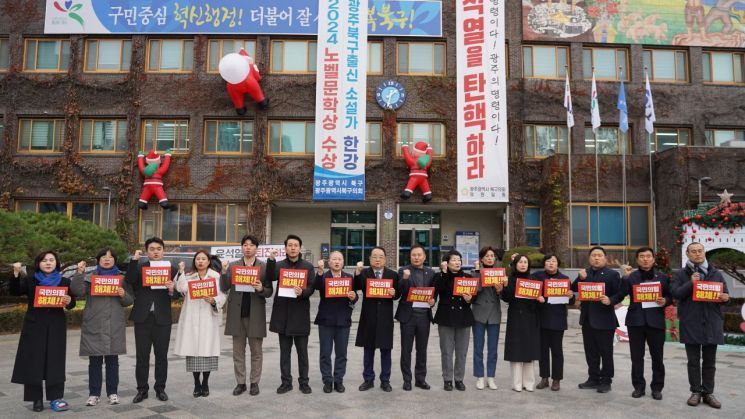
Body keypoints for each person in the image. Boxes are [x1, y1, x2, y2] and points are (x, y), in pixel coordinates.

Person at [10, 252, 76, 412]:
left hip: (56, 326)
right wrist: (16, 273)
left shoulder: (64, 281)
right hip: (34, 326)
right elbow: (15, 291)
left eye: (51, 260)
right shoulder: (31, 280)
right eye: (44, 260)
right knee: (34, 362)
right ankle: (36, 399)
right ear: (38, 263)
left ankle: (55, 397)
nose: (48, 263)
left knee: (55, 361)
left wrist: (69, 301)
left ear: (57, 263)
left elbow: (72, 302)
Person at [70, 248, 134, 407]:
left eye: (111, 257)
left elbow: (129, 301)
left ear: (115, 261)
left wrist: (122, 294)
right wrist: (79, 273)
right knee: (94, 361)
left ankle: (113, 393)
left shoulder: (121, 279)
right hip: (94, 324)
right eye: (104, 257)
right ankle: (94, 394)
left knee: (113, 360)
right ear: (98, 260)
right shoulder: (91, 278)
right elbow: (77, 291)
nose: (107, 259)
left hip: (114, 324)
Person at [671, 242, 730, 409]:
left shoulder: (716, 273)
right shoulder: (681, 274)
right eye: (693, 252)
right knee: (693, 361)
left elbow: (726, 294)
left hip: (712, 322)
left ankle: (708, 393)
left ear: (704, 252)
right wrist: (691, 283)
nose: (697, 254)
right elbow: (676, 294)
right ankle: (696, 391)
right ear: (688, 255)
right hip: (691, 322)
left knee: (710, 362)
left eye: (700, 251)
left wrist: (726, 298)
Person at [125, 237, 178, 403]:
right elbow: (129, 280)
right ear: (147, 251)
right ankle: (142, 389)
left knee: (161, 356)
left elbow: (178, 294)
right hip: (143, 317)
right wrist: (134, 259)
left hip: (162, 318)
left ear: (163, 251)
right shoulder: (140, 267)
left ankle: (160, 388)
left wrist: (172, 290)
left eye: (159, 248)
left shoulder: (172, 268)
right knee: (142, 356)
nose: (155, 251)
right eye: (152, 249)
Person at [220, 234, 273, 396]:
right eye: (245, 245)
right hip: (237, 314)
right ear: (241, 247)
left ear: (256, 248)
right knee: (238, 351)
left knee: (256, 351)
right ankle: (241, 382)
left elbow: (270, 291)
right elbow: (224, 287)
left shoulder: (263, 267)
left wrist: (260, 289)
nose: (248, 247)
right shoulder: (233, 266)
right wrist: (223, 272)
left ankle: (254, 382)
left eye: (251, 245)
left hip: (255, 314)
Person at [173, 250, 226, 397]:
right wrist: (181, 272)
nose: (200, 261)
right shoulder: (189, 276)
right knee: (194, 352)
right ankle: (196, 384)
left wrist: (214, 301)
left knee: (207, 351)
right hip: (192, 317)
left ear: (208, 261)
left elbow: (222, 295)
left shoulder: (216, 277)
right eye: (198, 259)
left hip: (208, 317)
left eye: (203, 259)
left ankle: (206, 383)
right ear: (194, 261)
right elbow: (181, 288)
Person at [571, 246, 624, 394]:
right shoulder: (585, 273)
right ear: (589, 258)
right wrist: (580, 278)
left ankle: (606, 380)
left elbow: (619, 294)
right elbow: (573, 288)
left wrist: (610, 300)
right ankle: (593, 378)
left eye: (600, 255)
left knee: (606, 352)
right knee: (590, 351)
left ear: (605, 258)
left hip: (605, 320)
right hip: (587, 319)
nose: (596, 258)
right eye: (594, 255)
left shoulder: (612, 274)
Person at [622, 247, 671, 400]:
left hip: (655, 322)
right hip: (635, 322)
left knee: (657, 357)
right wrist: (624, 278)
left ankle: (657, 388)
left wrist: (665, 301)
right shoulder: (631, 277)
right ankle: (638, 387)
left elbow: (670, 296)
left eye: (648, 256)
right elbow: (620, 293)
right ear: (637, 260)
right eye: (641, 256)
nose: (645, 259)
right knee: (636, 357)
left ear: (653, 259)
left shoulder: (662, 277)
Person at [268, 234, 316, 394]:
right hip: (283, 314)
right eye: (290, 245)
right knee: (285, 352)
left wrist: (302, 292)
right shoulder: (279, 265)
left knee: (302, 352)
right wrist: (271, 261)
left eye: (296, 245)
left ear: (300, 248)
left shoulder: (308, 266)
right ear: (285, 248)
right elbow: (270, 277)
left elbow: (311, 288)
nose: (293, 248)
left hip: (300, 314)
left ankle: (304, 382)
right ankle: (286, 382)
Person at [353, 246, 399, 392]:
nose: (377, 259)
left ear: (385, 259)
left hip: (385, 318)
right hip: (369, 317)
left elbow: (397, 295)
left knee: (386, 350)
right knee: (368, 350)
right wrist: (357, 273)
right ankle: (368, 379)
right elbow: (356, 286)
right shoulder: (364, 273)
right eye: (374, 257)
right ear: (369, 259)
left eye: (380, 257)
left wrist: (394, 292)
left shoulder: (392, 274)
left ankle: (385, 380)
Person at [313, 251, 358, 393]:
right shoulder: (324, 276)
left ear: (343, 262)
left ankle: (338, 380)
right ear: (329, 262)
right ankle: (327, 380)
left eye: (339, 259)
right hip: (326, 320)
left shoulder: (349, 278)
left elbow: (354, 297)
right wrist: (319, 272)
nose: (337, 261)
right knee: (325, 353)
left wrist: (353, 297)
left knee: (341, 353)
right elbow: (317, 287)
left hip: (343, 320)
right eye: (334, 259)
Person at [396, 244, 436, 391]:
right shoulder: (403, 271)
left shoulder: (431, 273)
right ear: (410, 256)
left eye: (419, 255)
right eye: (414, 255)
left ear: (424, 257)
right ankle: (407, 380)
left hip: (424, 316)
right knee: (406, 350)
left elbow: (434, 293)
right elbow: (398, 292)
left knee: (422, 349)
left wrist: (433, 302)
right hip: (408, 316)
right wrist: (405, 279)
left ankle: (420, 379)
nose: (417, 257)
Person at [433, 250, 474, 391]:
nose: (457, 262)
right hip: (446, 317)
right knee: (447, 351)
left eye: (459, 260)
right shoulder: (440, 277)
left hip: (464, 318)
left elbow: (473, 296)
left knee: (461, 352)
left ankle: (459, 379)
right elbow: (440, 290)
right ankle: (447, 379)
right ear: (446, 262)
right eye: (454, 259)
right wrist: (444, 273)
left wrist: (469, 300)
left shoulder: (467, 277)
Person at [533, 254, 574, 391]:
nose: (551, 263)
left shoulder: (564, 279)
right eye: (548, 261)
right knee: (542, 350)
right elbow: (531, 293)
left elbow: (571, 301)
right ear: (544, 263)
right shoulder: (538, 276)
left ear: (558, 264)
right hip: (542, 317)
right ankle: (544, 378)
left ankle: (556, 379)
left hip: (558, 319)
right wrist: (538, 298)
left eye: (554, 261)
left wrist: (571, 296)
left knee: (557, 350)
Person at [502, 254, 541, 392]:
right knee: (516, 349)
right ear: (515, 264)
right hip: (516, 317)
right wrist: (505, 286)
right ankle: (516, 383)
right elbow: (506, 298)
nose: (523, 264)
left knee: (530, 350)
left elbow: (539, 297)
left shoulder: (534, 279)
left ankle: (529, 383)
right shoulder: (511, 279)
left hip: (531, 317)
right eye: (520, 262)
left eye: (525, 262)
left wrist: (540, 299)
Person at [470, 246, 503, 390]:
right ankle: (479, 376)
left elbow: (505, 296)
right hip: (479, 313)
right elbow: (475, 291)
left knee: (493, 349)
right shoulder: (475, 272)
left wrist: (500, 289)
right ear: (481, 259)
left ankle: (491, 376)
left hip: (494, 314)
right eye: (487, 256)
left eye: (492, 256)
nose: (490, 258)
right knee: (478, 347)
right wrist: (478, 273)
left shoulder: (500, 274)